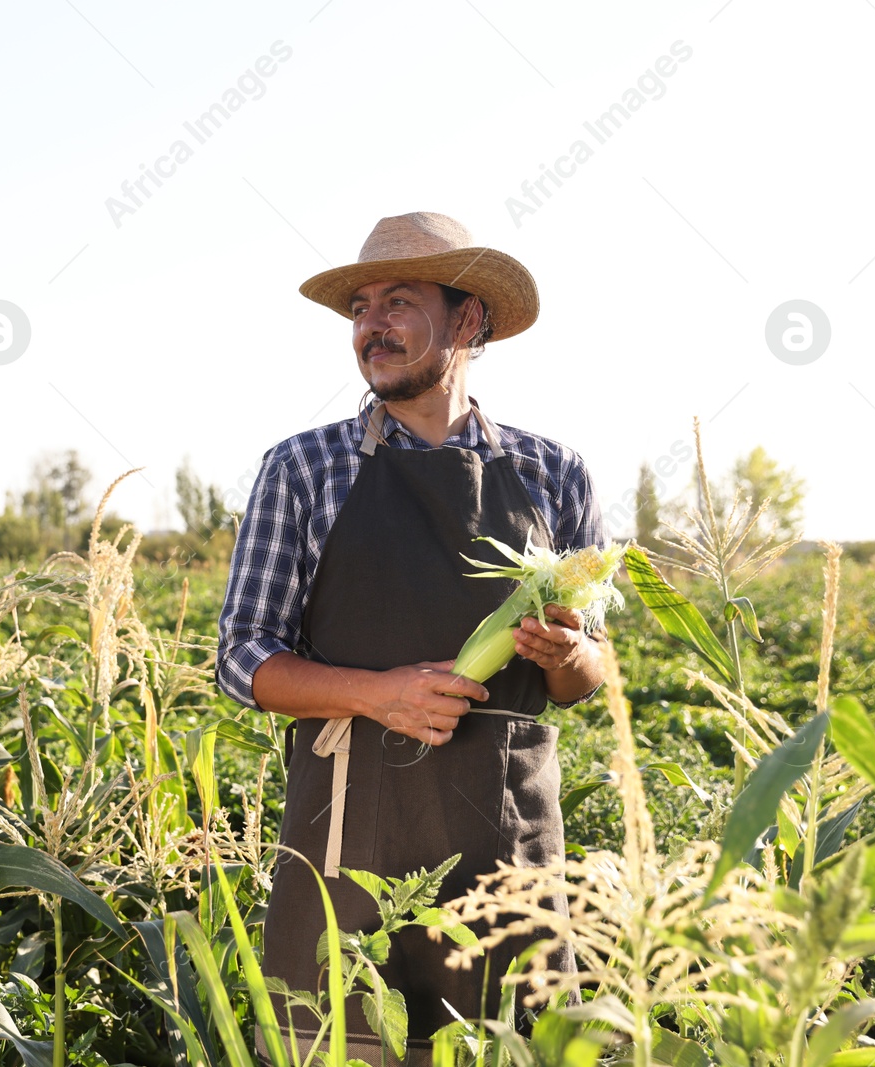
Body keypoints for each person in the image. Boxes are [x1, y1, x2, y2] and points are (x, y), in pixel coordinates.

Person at [215, 211, 609, 1064]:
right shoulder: (305, 467)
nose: (371, 326)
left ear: (468, 321)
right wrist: (377, 693)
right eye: (361, 306)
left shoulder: (556, 472)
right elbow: (243, 655)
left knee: (510, 1045)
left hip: (508, 845)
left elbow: (593, 674)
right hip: (352, 833)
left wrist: (567, 654)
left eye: (398, 301)